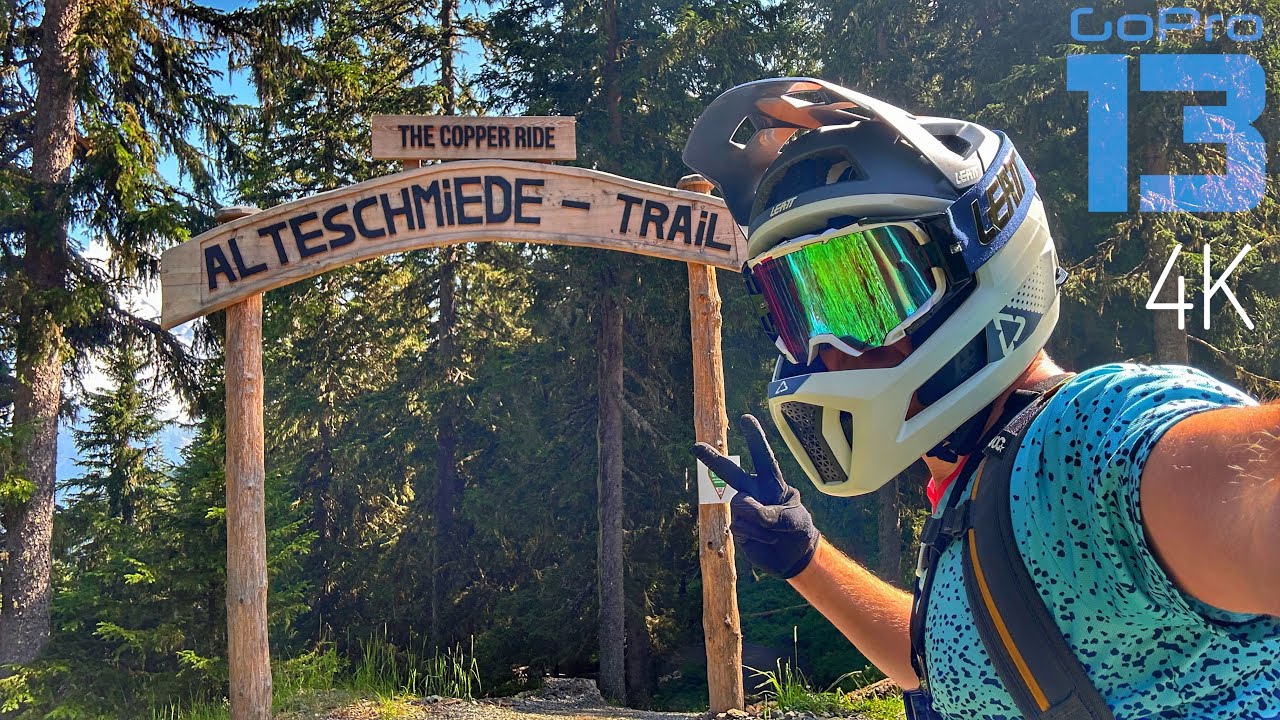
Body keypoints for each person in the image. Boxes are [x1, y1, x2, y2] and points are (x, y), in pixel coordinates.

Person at [683, 78, 1280, 720]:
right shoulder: (972, 489)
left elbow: (1249, 499)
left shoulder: (1088, 441)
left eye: (865, 297)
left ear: (986, 261)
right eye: (798, 308)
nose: (828, 351)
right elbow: (943, 666)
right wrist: (805, 558)